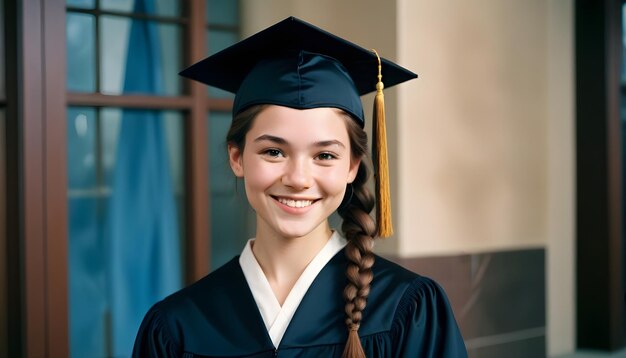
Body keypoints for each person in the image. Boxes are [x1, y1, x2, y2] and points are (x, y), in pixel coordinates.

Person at [133, 17, 467, 358]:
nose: (298, 178)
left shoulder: (406, 310)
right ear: (237, 157)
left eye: (324, 155)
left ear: (353, 165)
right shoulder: (177, 328)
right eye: (273, 151)